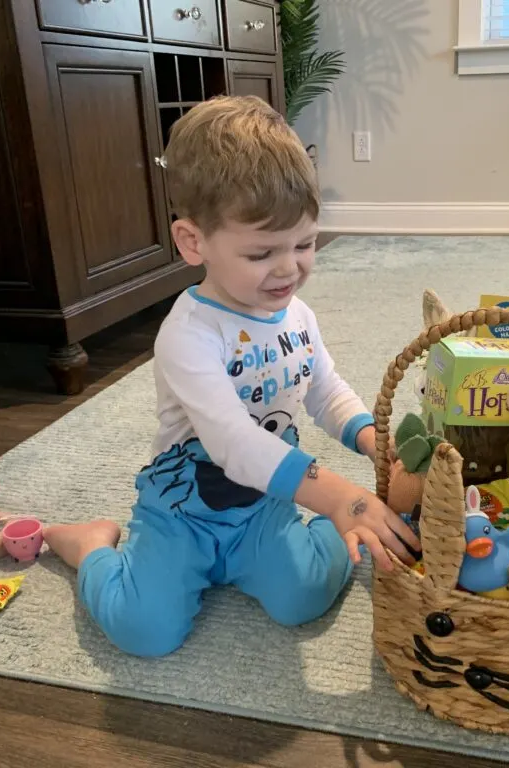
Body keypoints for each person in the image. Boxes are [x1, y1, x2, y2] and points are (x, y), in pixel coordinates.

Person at [44, 95, 420, 657]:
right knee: (145, 630)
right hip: (181, 510)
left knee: (304, 598)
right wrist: (343, 497)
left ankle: (326, 535)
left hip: (264, 505)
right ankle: (92, 544)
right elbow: (234, 443)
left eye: (305, 243)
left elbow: (324, 391)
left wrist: (375, 442)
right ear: (194, 241)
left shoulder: (298, 316)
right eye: (262, 252)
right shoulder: (188, 333)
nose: (290, 267)